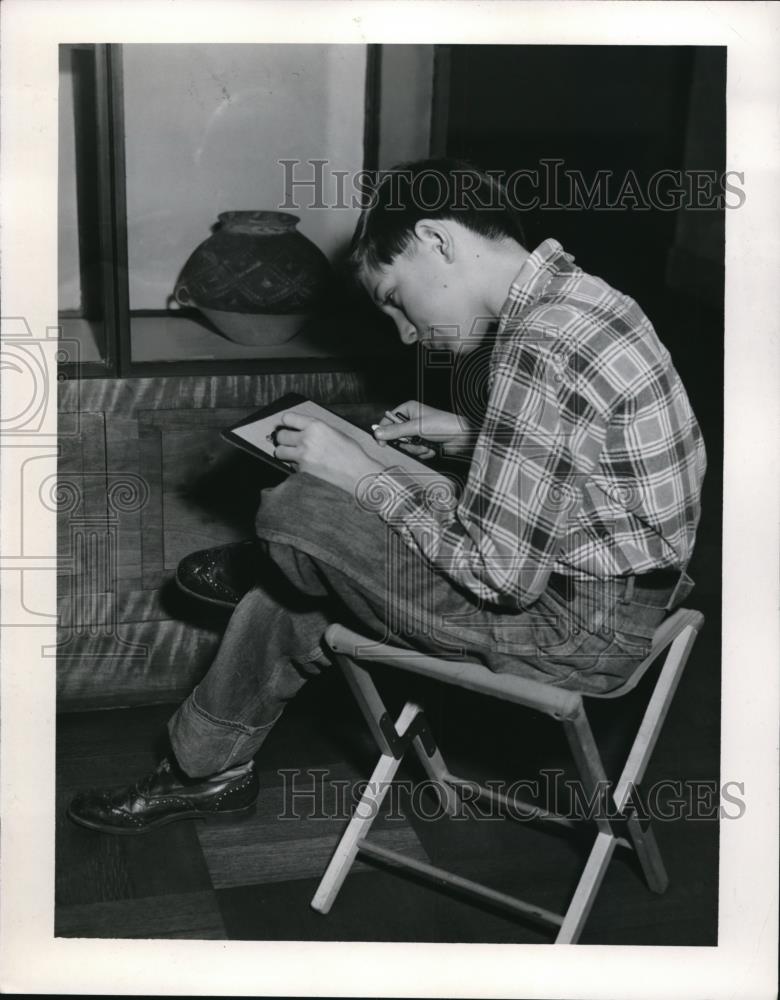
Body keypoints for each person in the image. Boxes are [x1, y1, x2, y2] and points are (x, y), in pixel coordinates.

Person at [68, 159, 706, 834]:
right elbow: (582, 462)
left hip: (575, 629)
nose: (404, 330)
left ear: (438, 241)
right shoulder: (580, 300)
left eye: (397, 297)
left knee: (296, 506)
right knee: (315, 554)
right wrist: (468, 437)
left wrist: (358, 475)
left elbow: (503, 577)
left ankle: (282, 564)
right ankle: (210, 762)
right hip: (607, 592)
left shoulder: (539, 343)